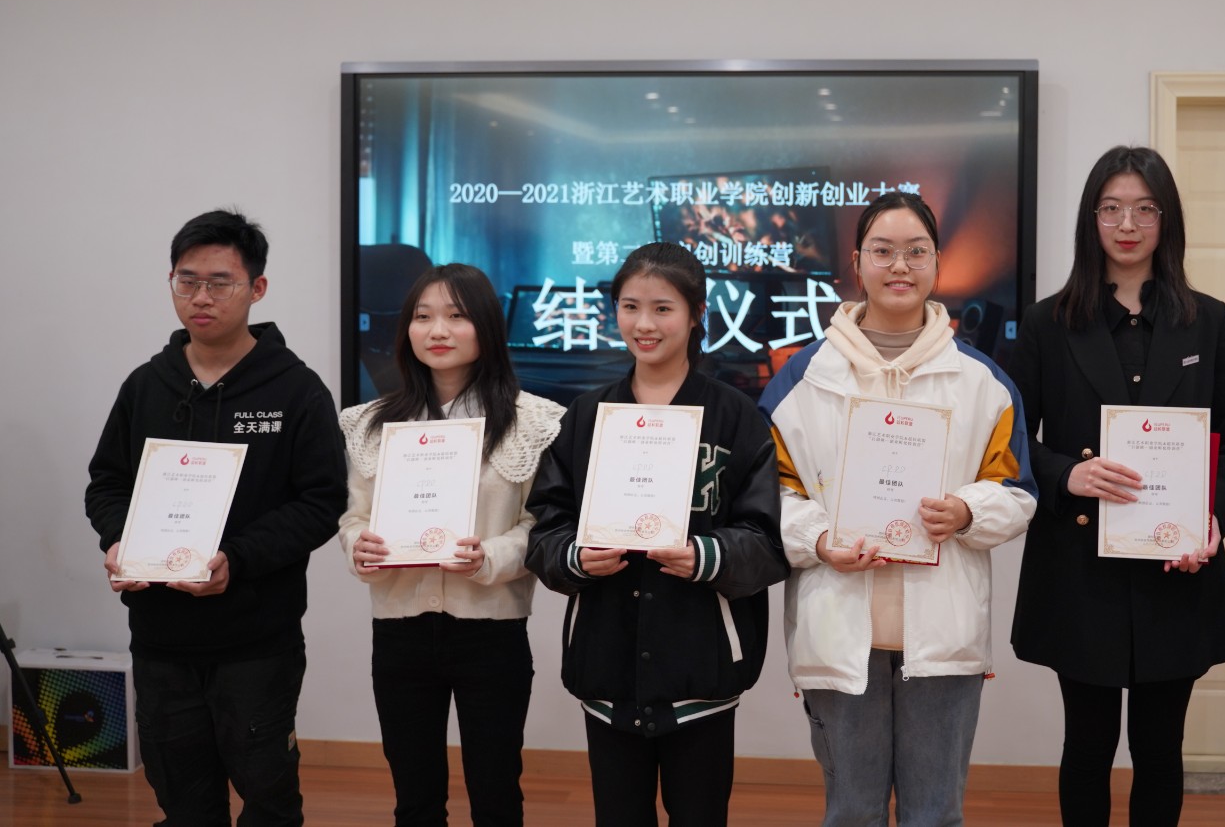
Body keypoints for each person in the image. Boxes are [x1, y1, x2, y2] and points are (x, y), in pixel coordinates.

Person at [760, 191, 1038, 827]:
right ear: (857, 262)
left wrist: (966, 512)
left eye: (916, 251)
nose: (900, 266)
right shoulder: (802, 378)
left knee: (934, 814)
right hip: (838, 630)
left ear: (937, 262)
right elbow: (770, 494)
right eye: (883, 251)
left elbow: (1018, 490)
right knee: (851, 813)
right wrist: (819, 539)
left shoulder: (983, 382)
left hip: (942, 636)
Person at [1009, 146, 1225, 827]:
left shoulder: (1207, 320)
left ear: (1166, 219)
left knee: (1160, 749)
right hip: (1078, 566)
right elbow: (1010, 443)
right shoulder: (1047, 322)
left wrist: (1210, 521)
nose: (1127, 224)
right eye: (1112, 208)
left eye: (1145, 209)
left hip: (1175, 567)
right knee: (1087, 746)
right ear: (1091, 218)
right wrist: (1068, 473)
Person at [84, 209, 346, 826]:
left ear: (257, 288)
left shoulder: (296, 390)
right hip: (160, 636)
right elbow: (107, 483)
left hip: (256, 638)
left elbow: (321, 502)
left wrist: (239, 558)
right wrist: (120, 540)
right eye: (187, 280)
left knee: (268, 795)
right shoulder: (146, 386)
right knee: (182, 798)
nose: (201, 297)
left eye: (220, 282)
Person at [524, 242, 787, 827]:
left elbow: (769, 543)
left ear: (696, 315)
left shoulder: (736, 418)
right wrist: (575, 557)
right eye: (630, 306)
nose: (644, 324)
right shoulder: (586, 416)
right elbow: (544, 532)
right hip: (606, 666)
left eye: (663, 308)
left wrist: (704, 555)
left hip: (701, 671)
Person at [338, 263, 563, 826]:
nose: (437, 330)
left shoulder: (533, 422)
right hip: (400, 630)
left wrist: (490, 557)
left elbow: (540, 526)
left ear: (486, 327)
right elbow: (355, 516)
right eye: (423, 317)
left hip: (491, 630)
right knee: (414, 794)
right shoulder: (370, 424)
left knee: (495, 790)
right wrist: (357, 545)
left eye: (456, 316)